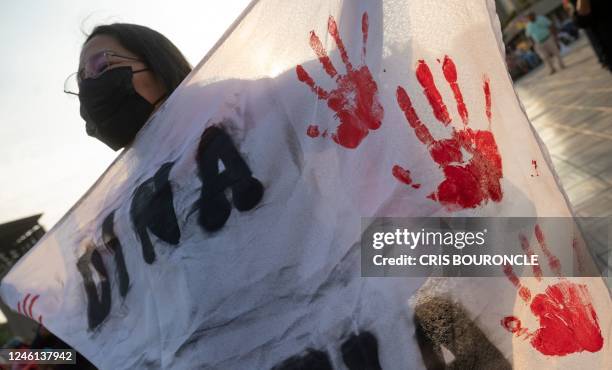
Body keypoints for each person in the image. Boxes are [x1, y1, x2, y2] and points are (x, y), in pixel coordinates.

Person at [64, 24, 192, 150]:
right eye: (82, 82)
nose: (89, 88)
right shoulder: (152, 170)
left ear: (159, 64)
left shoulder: (211, 115)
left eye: (102, 66)